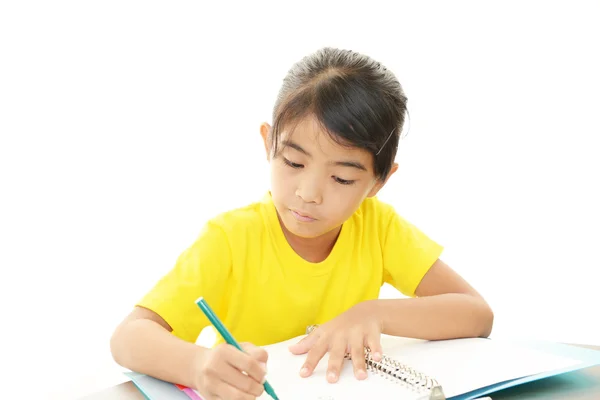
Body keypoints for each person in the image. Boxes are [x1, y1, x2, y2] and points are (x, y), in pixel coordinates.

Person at [110, 47, 494, 400]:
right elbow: (129, 338)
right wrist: (196, 366)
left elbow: (476, 313)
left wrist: (374, 313)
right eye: (293, 163)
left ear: (379, 181)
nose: (308, 193)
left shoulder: (379, 228)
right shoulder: (231, 238)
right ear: (268, 143)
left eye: (342, 179)